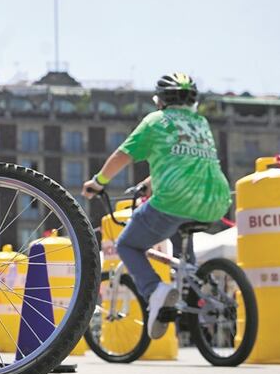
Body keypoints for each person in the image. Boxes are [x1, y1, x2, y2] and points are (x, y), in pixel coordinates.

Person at [82, 73, 231, 340]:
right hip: (216, 200)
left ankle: (155, 290)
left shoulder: (156, 122)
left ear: (160, 100)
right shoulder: (201, 123)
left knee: (128, 244)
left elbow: (121, 156)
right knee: (178, 228)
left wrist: (98, 182)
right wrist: (150, 182)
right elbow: (190, 162)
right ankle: (192, 283)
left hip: (174, 199)